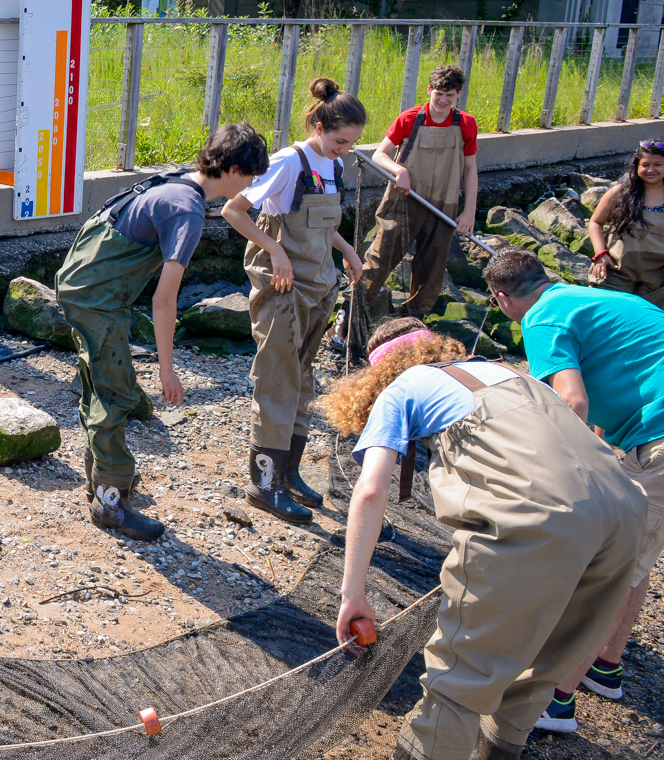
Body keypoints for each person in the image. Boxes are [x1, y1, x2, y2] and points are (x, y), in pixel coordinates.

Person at [323, 318, 642, 760]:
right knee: (542, 669)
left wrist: (352, 593)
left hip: (537, 517)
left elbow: (372, 489)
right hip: (626, 511)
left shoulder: (405, 384)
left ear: (379, 371)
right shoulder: (516, 373)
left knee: (459, 681)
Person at [480, 248, 664, 735]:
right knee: (637, 555)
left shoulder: (541, 317)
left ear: (502, 298)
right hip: (648, 431)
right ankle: (605, 666)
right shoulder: (599, 299)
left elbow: (571, 403)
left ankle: (556, 699)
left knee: (610, 568)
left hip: (660, 437)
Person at [57, 123, 271, 541]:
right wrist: (167, 370)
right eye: (250, 175)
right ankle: (110, 502)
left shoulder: (175, 181)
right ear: (228, 169)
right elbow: (164, 300)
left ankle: (101, 473)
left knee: (100, 381)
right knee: (115, 391)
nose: (254, 184)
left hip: (84, 285)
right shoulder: (187, 211)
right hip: (96, 299)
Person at [221, 77, 365, 524]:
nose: (345, 149)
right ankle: (263, 484)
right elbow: (233, 211)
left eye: (352, 143)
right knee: (277, 379)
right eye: (340, 140)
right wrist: (277, 250)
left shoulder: (334, 166)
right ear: (319, 125)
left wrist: (346, 249)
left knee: (302, 379)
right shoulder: (289, 162)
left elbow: (322, 224)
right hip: (282, 291)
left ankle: (289, 474)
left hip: (320, 287)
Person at [357, 65, 479, 319]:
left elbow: (470, 169)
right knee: (381, 257)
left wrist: (468, 212)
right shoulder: (410, 118)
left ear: (458, 94)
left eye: (450, 95)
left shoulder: (466, 123)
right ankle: (351, 311)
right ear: (429, 90)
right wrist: (398, 171)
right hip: (404, 200)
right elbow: (379, 154)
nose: (443, 100)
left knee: (433, 267)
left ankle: (415, 318)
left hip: (444, 204)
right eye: (438, 94)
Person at [587, 143, 664, 306]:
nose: (651, 170)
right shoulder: (620, 192)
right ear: (636, 166)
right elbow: (595, 222)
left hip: (657, 281)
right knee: (606, 318)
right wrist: (600, 255)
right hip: (616, 273)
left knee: (649, 326)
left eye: (658, 165)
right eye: (645, 165)